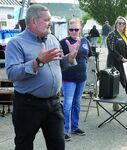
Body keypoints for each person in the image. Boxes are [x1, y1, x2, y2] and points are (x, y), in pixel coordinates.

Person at [5, 4, 79, 150]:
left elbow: (57, 65)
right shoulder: (16, 43)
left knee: (58, 145)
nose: (50, 23)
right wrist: (38, 62)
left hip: (54, 103)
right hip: (28, 105)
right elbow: (12, 74)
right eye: (46, 20)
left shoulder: (52, 39)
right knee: (24, 145)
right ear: (33, 22)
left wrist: (69, 59)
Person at [60, 19, 92, 141]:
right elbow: (59, 60)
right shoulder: (63, 42)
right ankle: (64, 130)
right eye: (71, 29)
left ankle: (75, 127)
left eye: (76, 29)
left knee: (77, 103)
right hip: (68, 78)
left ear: (80, 29)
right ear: (68, 30)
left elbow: (89, 56)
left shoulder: (85, 41)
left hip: (81, 78)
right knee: (67, 105)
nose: (74, 31)